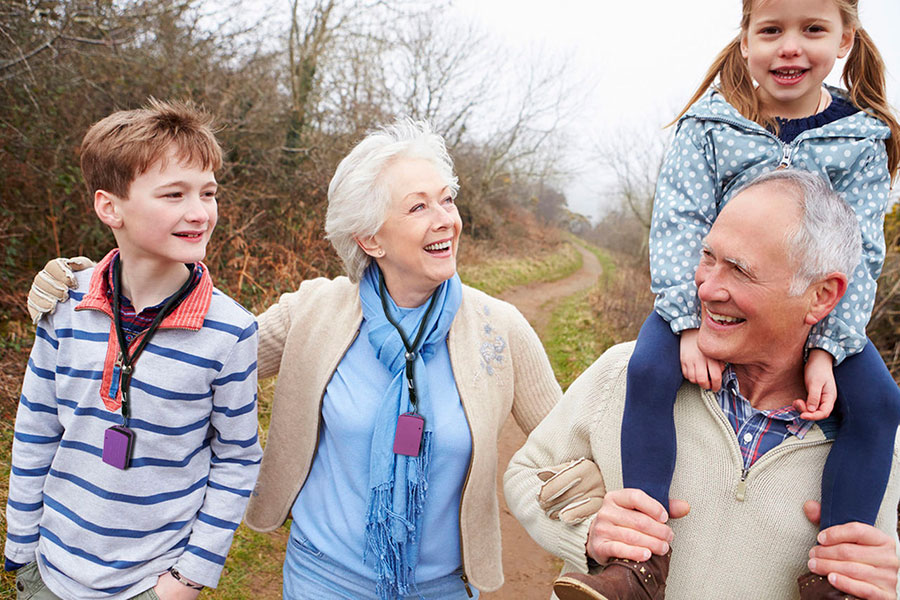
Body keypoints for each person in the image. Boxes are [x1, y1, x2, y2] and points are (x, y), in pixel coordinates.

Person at [24, 119, 570, 599]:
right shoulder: (314, 311)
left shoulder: (501, 330)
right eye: (419, 206)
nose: (446, 219)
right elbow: (184, 347)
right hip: (320, 578)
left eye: (447, 199)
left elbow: (566, 448)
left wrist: (605, 518)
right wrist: (88, 285)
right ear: (370, 238)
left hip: (444, 587)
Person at [612, 0, 900, 597]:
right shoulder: (712, 125)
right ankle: (640, 558)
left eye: (812, 29)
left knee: (877, 406)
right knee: (646, 370)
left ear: (845, 39)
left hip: (819, 314)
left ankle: (838, 577)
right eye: (771, 30)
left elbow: (862, 250)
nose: (789, 47)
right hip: (703, 298)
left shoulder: (861, 138)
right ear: (745, 42)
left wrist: (828, 346)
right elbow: (679, 222)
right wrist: (689, 322)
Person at [504, 169, 900, 600]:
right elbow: (523, 474)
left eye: (740, 271)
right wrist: (587, 534)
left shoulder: (874, 445)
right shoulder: (625, 370)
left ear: (822, 295)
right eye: (708, 256)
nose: (706, 287)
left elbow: (870, 571)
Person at [3, 100, 263, 600]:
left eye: (208, 193)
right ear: (110, 207)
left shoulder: (231, 331)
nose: (199, 212)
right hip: (49, 570)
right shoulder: (63, 302)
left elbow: (236, 458)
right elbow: (36, 427)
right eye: (174, 194)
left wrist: (189, 578)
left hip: (151, 583)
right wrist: (22, 548)